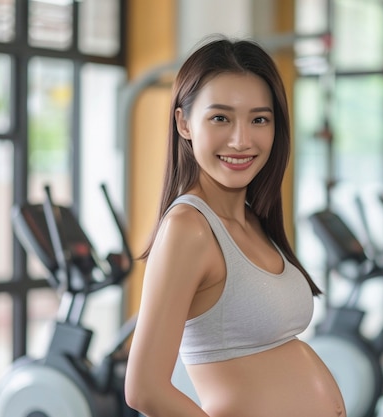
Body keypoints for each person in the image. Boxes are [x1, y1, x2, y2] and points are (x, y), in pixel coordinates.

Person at [124, 35, 346, 417]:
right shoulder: (189, 229)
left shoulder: (253, 219)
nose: (242, 140)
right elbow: (144, 389)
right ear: (184, 123)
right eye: (220, 118)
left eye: (259, 119)